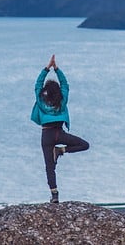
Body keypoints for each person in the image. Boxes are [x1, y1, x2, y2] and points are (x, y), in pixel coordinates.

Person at [30, 54, 89, 203]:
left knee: (49, 167)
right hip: (59, 133)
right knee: (84, 145)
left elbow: (38, 84)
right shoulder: (61, 100)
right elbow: (65, 85)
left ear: (45, 91)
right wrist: (56, 69)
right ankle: (61, 150)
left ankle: (54, 195)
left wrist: (46, 68)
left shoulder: (41, 99)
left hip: (46, 135)